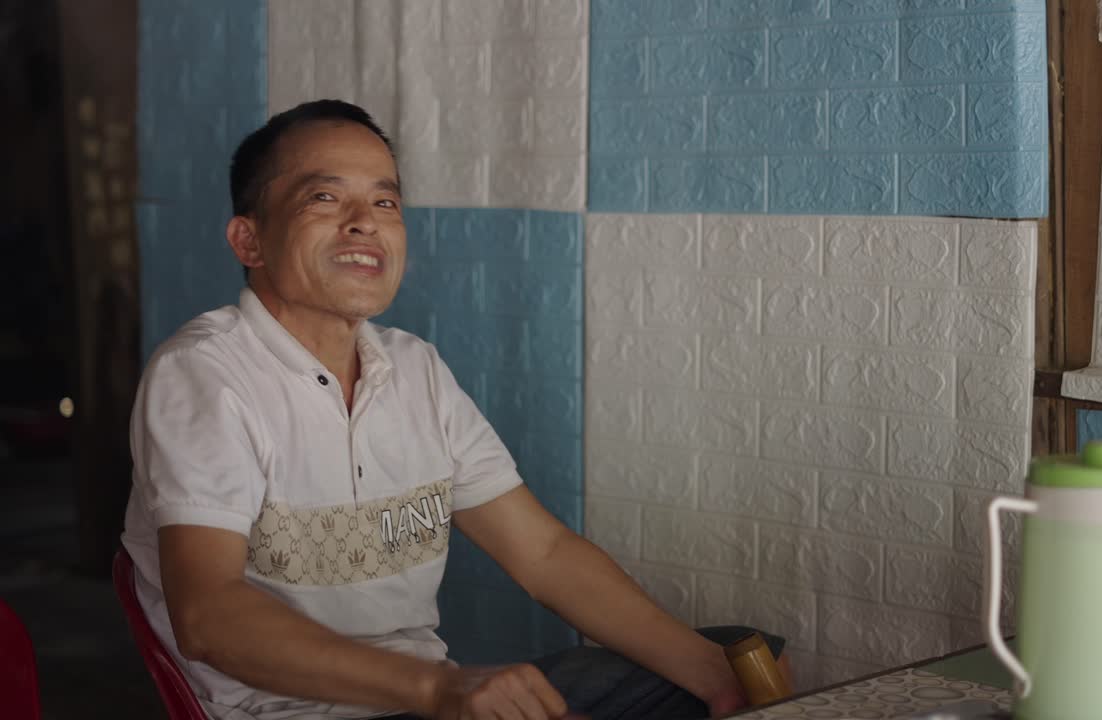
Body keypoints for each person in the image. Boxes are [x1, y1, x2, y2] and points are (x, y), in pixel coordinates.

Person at [120, 99, 786, 720]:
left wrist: (712, 674)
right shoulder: (205, 375)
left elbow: (545, 553)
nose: (365, 221)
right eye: (325, 196)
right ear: (249, 241)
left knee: (723, 653)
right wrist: (443, 686)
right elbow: (208, 616)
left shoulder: (415, 370)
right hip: (295, 710)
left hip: (427, 700)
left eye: (385, 200)